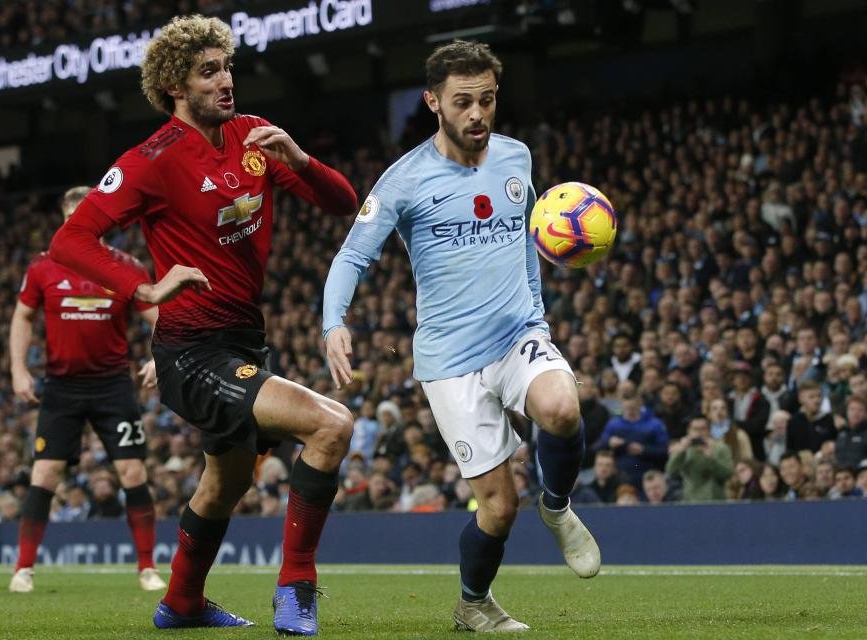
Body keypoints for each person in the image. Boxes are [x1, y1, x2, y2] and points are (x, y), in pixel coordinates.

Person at [49, 14, 358, 635]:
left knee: (227, 482)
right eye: (208, 72)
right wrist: (143, 287)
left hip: (244, 341)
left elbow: (342, 204)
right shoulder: (151, 160)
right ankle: (297, 589)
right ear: (175, 88)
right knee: (331, 425)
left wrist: (298, 156)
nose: (225, 82)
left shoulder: (253, 138)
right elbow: (71, 239)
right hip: (190, 352)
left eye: (227, 68)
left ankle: (181, 604)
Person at [323, 40, 600, 633]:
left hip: (516, 333)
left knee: (562, 406)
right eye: (464, 102)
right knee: (498, 509)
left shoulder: (517, 157)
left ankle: (557, 507)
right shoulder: (404, 180)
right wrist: (333, 323)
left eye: (488, 100)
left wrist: (538, 315)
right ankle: (473, 603)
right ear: (434, 103)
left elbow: (526, 240)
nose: (478, 114)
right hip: (449, 360)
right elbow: (351, 257)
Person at [9, 185, 165, 594]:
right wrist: (17, 370)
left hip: (112, 385)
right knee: (45, 474)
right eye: (71, 220)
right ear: (64, 222)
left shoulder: (125, 266)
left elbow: (159, 318)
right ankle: (23, 568)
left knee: (133, 472)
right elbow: (22, 317)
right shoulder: (43, 268)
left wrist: (159, 357)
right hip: (61, 387)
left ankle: (148, 568)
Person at [665, 416, 734, 502]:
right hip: (690, 501)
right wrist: (681, 452)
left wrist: (710, 458)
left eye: (702, 429)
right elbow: (671, 471)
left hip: (715, 501)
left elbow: (728, 474)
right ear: (689, 431)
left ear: (709, 430)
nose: (699, 433)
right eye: (695, 429)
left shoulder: (721, 448)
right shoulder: (684, 449)